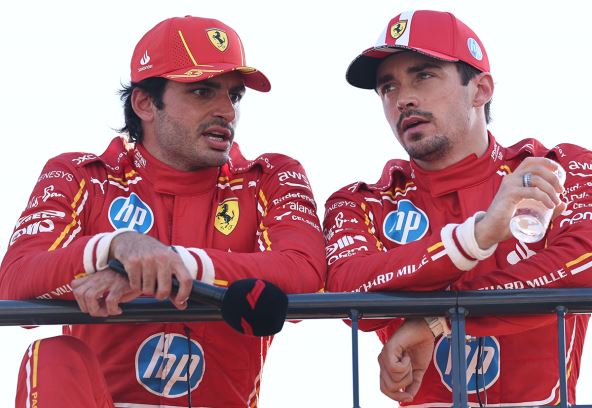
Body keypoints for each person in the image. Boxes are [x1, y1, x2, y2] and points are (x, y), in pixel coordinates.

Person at [0, 16, 326, 408]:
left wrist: (168, 265)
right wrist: (114, 247)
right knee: (51, 356)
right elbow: (14, 281)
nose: (227, 111)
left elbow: (306, 272)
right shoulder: (79, 174)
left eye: (235, 96)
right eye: (203, 92)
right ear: (144, 103)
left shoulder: (271, 175)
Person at [324, 9, 592, 406]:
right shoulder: (361, 202)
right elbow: (347, 289)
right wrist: (477, 236)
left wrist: (437, 321)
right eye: (388, 87)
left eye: (423, 75)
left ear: (481, 89)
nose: (403, 99)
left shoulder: (559, 167)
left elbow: (585, 263)